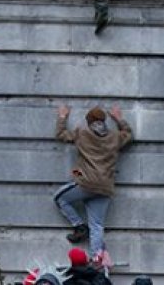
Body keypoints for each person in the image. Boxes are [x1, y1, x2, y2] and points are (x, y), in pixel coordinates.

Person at [55, 105, 131, 267]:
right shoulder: (114, 137)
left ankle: (79, 226)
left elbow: (61, 135)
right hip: (105, 188)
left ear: (88, 122)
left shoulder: (82, 133)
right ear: (104, 121)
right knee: (97, 225)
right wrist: (119, 119)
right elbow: (129, 134)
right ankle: (96, 258)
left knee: (60, 198)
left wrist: (62, 117)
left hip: (86, 184)